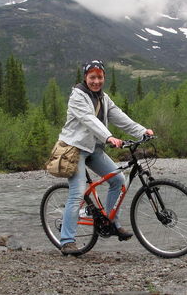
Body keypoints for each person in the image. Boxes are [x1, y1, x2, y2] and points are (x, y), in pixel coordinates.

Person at [58, 59, 154, 255]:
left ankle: (112, 222)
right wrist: (109, 137)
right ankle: (67, 240)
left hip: (94, 149)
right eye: (92, 77)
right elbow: (89, 120)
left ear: (104, 77)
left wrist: (142, 132)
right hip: (74, 149)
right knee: (77, 193)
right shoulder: (77, 97)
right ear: (85, 77)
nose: (96, 81)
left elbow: (119, 117)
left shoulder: (103, 98)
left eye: (99, 77)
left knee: (118, 180)